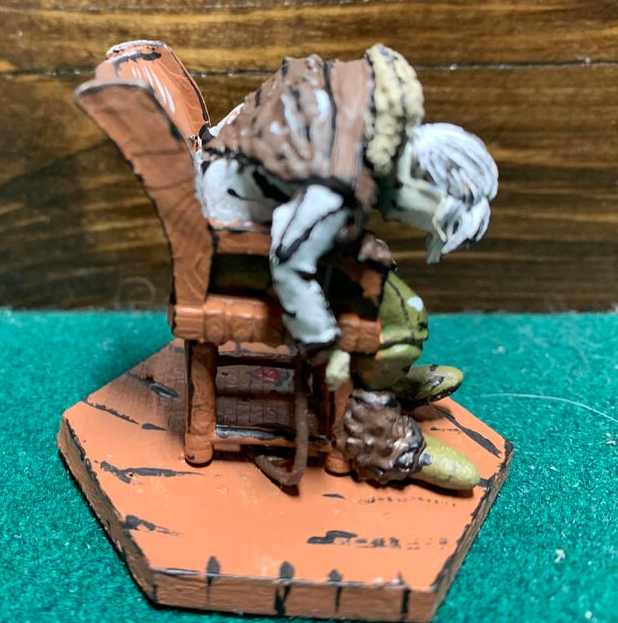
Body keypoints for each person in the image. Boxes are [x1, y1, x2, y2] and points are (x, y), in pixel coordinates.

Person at [195, 44, 498, 489]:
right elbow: (289, 261)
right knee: (403, 316)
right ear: (422, 186)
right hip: (236, 255)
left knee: (377, 275)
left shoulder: (359, 116)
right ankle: (377, 431)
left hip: (230, 210)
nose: (415, 226)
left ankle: (380, 377)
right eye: (434, 223)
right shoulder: (337, 187)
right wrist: (325, 347)